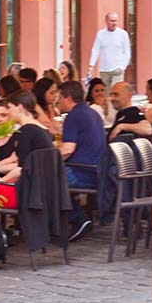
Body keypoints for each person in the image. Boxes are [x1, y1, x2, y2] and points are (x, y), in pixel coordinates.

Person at [57, 80, 107, 240]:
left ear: (68, 98)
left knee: (46, 177)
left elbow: (67, 149)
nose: (58, 101)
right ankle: (78, 217)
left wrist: (44, 159)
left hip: (83, 172)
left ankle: (77, 218)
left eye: (60, 97)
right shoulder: (92, 113)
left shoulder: (73, 115)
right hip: (99, 170)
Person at [0, 92, 54, 210]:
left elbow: (22, 169)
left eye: (10, 108)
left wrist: (0, 180)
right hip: (44, 190)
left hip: (29, 193)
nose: (9, 113)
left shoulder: (26, 131)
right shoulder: (42, 129)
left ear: (19, 107)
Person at [89, 12, 131, 87]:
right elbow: (95, 50)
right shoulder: (101, 34)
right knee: (106, 94)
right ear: (106, 21)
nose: (114, 23)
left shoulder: (123, 34)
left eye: (115, 21)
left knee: (115, 91)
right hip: (104, 69)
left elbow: (127, 51)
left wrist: (122, 67)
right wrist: (91, 65)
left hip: (117, 69)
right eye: (112, 21)